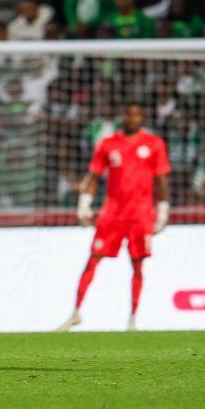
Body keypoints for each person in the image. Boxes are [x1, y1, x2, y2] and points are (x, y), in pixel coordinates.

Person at [58, 102, 171, 332]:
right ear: (123, 116)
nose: (132, 119)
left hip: (140, 214)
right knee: (93, 258)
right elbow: (94, 176)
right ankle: (76, 312)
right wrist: (84, 204)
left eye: (137, 115)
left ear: (143, 118)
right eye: (129, 114)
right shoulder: (108, 144)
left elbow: (161, 180)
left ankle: (132, 318)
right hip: (113, 213)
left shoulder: (153, 144)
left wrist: (163, 211)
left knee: (138, 265)